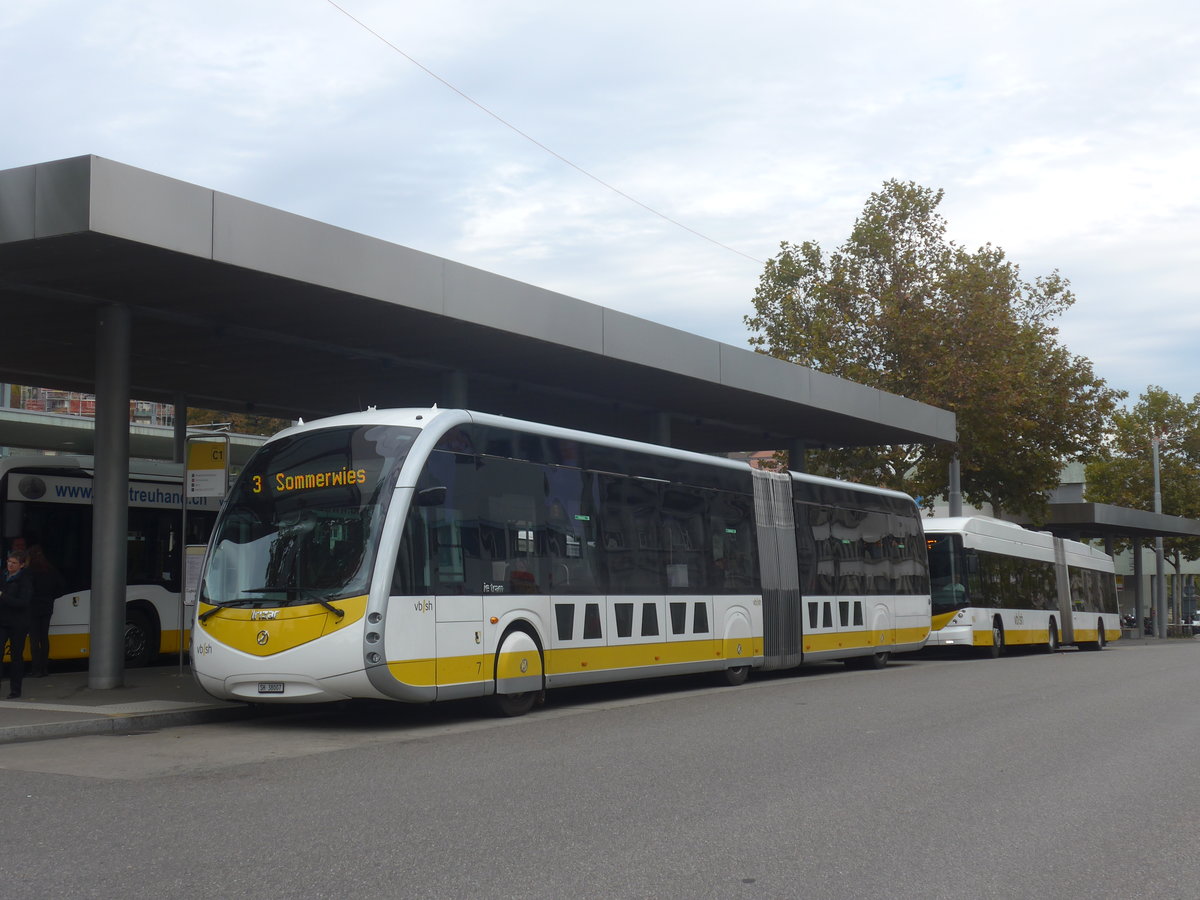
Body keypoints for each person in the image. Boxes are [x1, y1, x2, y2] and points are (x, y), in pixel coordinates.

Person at [25, 545, 63, 678]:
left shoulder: (29, 571)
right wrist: (50, 597)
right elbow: (61, 587)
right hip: (47, 606)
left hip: (33, 607)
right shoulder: (51, 569)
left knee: (34, 639)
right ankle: (44, 668)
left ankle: (36, 669)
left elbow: (26, 590)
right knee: (44, 637)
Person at [0, 549, 33, 699]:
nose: (10, 565)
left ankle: (15, 690)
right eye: (9, 562)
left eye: (14, 563)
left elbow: (24, 603)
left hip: (18, 623)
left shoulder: (25, 580)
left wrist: (3, 597)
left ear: (21, 565)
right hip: (3, 621)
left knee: (16, 656)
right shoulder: (3, 576)